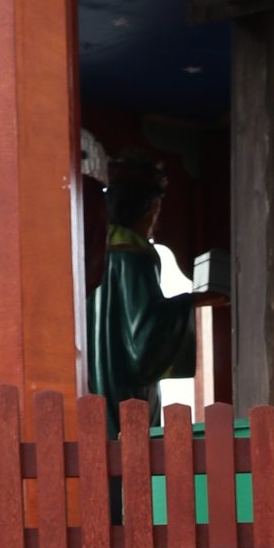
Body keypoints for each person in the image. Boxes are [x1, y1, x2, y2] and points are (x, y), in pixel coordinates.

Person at [86, 162, 219, 418]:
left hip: (94, 373)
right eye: (156, 211)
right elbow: (143, 337)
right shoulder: (135, 254)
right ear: (146, 209)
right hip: (124, 383)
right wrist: (190, 303)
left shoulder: (96, 248)